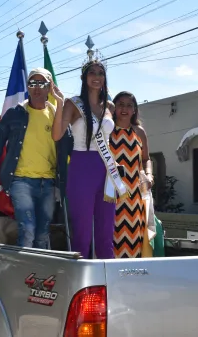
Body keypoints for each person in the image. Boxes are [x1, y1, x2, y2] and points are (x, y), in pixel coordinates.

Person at [0, 68, 71, 249]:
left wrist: (61, 104)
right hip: (21, 181)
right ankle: (23, 273)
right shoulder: (16, 113)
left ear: (50, 87)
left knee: (43, 233)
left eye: (42, 83)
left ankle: (39, 274)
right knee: (27, 228)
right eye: (32, 83)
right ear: (28, 86)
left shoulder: (55, 115)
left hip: (49, 183)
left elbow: (68, 145)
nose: (37, 88)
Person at [51, 55, 127, 259]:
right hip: (81, 167)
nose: (97, 77)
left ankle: (108, 283)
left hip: (105, 169)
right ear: (84, 77)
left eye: (101, 73)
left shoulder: (109, 107)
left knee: (106, 234)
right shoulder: (73, 104)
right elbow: (57, 135)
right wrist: (59, 104)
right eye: (92, 72)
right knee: (82, 235)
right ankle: (81, 283)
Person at [110, 91, 154, 258]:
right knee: (110, 239)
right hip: (110, 196)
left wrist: (149, 175)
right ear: (114, 107)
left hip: (134, 198)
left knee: (134, 241)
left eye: (129, 105)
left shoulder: (139, 132)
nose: (125, 108)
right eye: (121, 104)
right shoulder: (106, 130)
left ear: (134, 110)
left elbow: (146, 160)